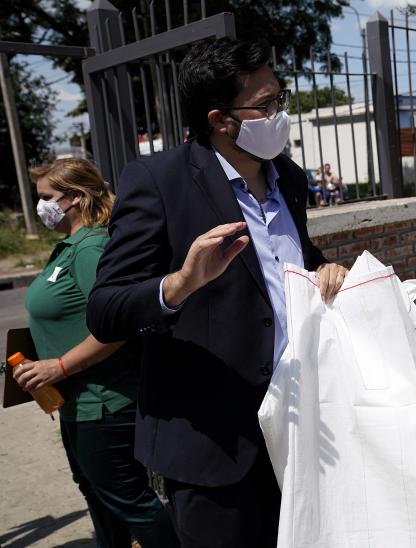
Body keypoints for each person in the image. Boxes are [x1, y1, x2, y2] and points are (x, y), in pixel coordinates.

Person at [86, 38, 349, 547]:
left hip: (301, 431)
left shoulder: (289, 179)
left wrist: (324, 268)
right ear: (221, 119)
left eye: (281, 99)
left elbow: (287, 263)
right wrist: (180, 284)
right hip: (214, 445)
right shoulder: (159, 180)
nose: (280, 115)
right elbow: (105, 310)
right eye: (267, 105)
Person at [13, 158, 178, 548]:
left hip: (103, 402)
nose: (41, 207)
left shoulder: (91, 249)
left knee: (130, 500)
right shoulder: (70, 247)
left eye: (47, 198)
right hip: (75, 401)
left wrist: (59, 365)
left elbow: (117, 325)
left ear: (74, 198)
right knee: (97, 493)